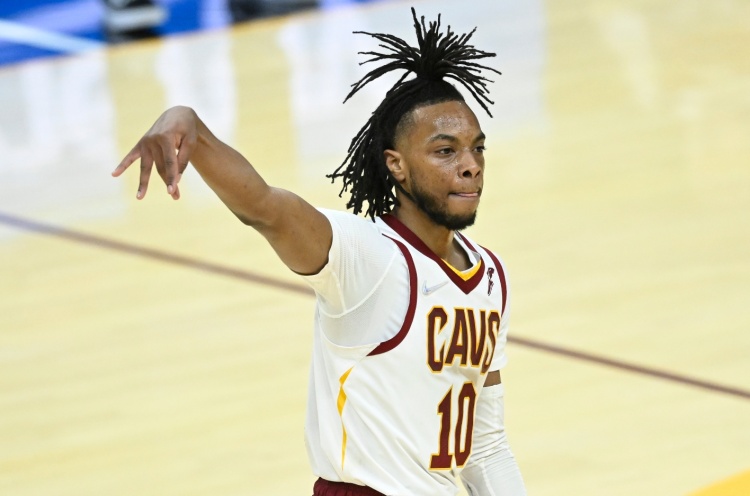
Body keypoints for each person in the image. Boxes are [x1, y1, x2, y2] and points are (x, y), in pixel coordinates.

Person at [112, 8, 526, 495]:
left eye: (477, 148)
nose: (471, 165)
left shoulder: (490, 277)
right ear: (396, 166)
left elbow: (486, 446)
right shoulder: (368, 257)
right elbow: (265, 208)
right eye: (445, 151)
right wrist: (194, 131)